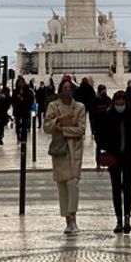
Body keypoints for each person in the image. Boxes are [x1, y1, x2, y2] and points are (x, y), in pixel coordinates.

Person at [98, 89, 131, 234]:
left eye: (122, 103)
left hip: (128, 159)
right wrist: (105, 151)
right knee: (116, 189)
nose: (120, 105)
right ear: (114, 103)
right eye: (118, 103)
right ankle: (118, 219)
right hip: (114, 159)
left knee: (127, 188)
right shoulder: (107, 117)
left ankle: (127, 218)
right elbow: (100, 137)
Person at [43, 78, 87, 236]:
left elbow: (81, 130)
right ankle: (67, 220)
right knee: (62, 185)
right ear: (60, 89)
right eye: (64, 87)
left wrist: (62, 130)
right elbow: (46, 127)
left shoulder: (80, 107)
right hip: (60, 149)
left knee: (73, 183)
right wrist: (58, 121)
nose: (67, 89)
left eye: (69, 87)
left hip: (74, 149)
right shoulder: (53, 106)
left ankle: (73, 217)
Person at [92, 83, 113, 167]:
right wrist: (93, 128)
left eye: (105, 90)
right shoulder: (95, 101)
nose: (104, 92)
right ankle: (98, 162)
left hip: (107, 126)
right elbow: (93, 115)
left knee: (108, 145)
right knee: (99, 145)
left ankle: (107, 161)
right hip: (99, 127)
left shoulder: (108, 99)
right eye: (102, 91)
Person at [12, 75, 34, 143]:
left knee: (24, 125)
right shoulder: (15, 91)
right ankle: (18, 136)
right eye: (19, 82)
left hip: (25, 110)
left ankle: (24, 139)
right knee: (18, 125)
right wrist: (17, 98)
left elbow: (31, 100)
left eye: (22, 82)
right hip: (18, 110)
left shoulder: (28, 91)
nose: (21, 84)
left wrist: (23, 99)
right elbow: (12, 100)